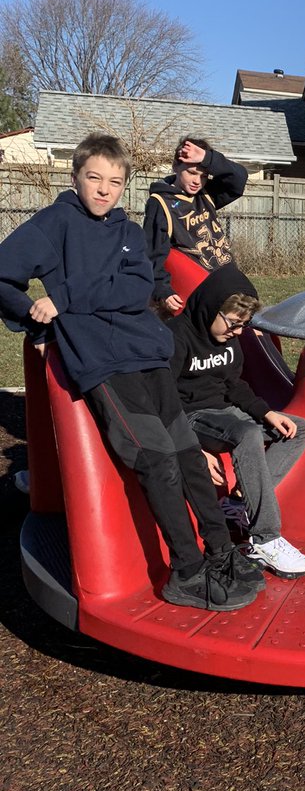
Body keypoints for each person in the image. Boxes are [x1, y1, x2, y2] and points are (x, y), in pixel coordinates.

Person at [0, 133, 260, 611]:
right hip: (104, 362)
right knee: (157, 459)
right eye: (94, 178)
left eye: (115, 182)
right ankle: (186, 571)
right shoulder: (53, 224)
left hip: (148, 354)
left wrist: (66, 299)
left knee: (187, 455)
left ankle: (221, 552)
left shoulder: (126, 230)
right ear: (75, 176)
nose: (104, 190)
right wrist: (34, 322)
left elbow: (139, 286)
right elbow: (3, 274)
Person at [168, 263, 305, 579]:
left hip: (226, 412)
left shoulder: (231, 340)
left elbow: (234, 385)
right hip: (193, 416)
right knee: (247, 433)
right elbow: (163, 400)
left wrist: (267, 413)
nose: (237, 332)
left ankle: (238, 504)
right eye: (234, 324)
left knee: (299, 429)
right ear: (212, 309)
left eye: (244, 325)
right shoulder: (177, 337)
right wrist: (190, 448)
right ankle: (266, 539)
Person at [143, 135, 248, 314]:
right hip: (198, 290)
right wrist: (163, 290)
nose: (197, 181)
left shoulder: (206, 194)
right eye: (191, 173)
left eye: (204, 175)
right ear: (176, 166)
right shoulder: (161, 202)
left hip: (228, 280)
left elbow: (238, 179)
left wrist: (208, 158)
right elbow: (152, 254)